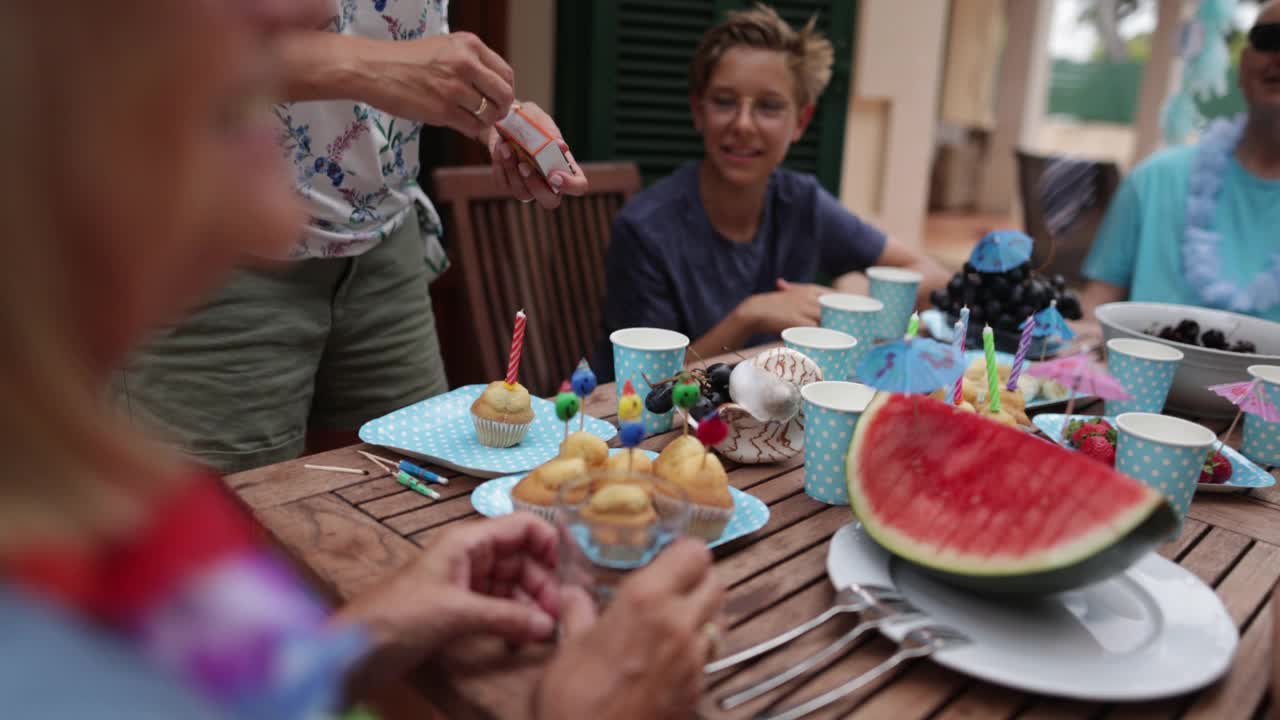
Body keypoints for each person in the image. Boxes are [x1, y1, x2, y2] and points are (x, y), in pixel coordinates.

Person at [0, 2, 722, 718]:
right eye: (248, 71)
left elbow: (245, 686)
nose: (321, 11)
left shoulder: (157, 552)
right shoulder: (74, 619)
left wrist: (368, 631)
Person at [119, 0, 588, 473]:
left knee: (413, 505)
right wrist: (373, 68)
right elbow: (138, 42)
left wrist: (493, 116)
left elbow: (405, 39)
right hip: (216, 256)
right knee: (223, 530)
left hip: (387, 248)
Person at [594, 4, 947, 377]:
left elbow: (935, 276)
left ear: (801, 121)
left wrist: (853, 307)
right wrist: (749, 315)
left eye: (769, 106)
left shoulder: (803, 202)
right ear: (698, 110)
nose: (744, 125)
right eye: (725, 101)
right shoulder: (644, 229)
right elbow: (646, 383)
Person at [1080, 1, 1280, 328]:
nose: (1279, 57)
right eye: (1269, 39)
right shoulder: (1153, 180)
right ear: (1243, 65)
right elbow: (1096, 304)